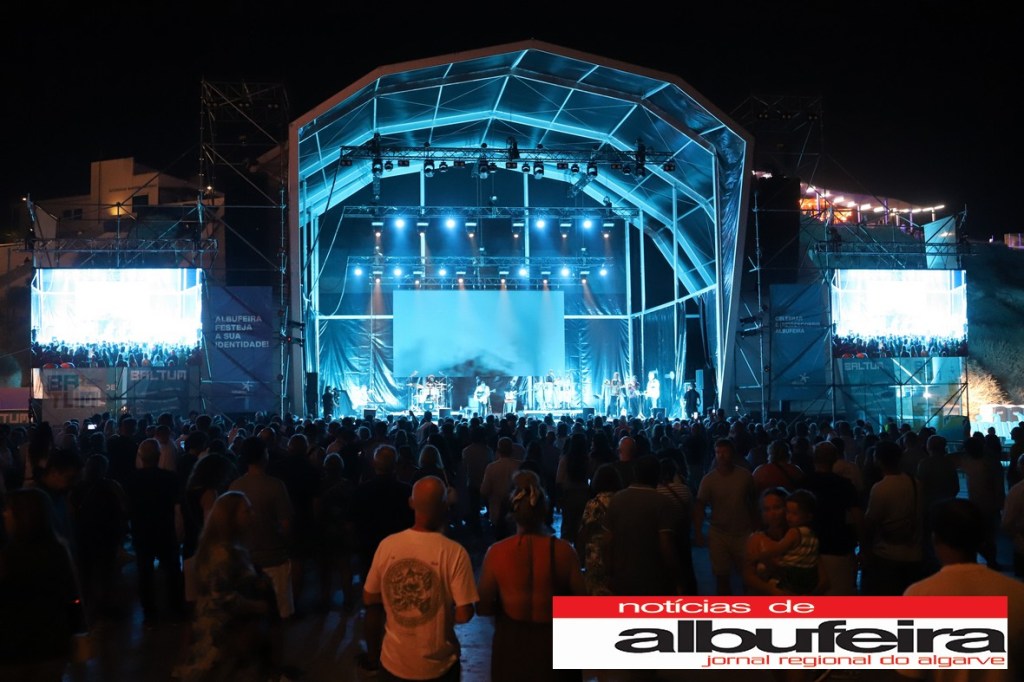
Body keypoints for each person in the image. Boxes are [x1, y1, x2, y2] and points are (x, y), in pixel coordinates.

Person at [360, 476, 478, 680]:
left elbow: (369, 597)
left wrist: (397, 604)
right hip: (438, 667)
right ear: (445, 506)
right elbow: (464, 613)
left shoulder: (387, 545)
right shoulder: (455, 552)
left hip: (394, 662)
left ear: (411, 503)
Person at [478, 470, 586, 682]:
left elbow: (482, 607)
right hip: (553, 644)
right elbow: (582, 603)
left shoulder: (497, 553)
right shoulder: (564, 552)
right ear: (544, 510)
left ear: (513, 511)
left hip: (512, 646)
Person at [901, 498, 1024, 681]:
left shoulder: (919, 595)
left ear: (935, 539)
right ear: (981, 538)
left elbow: (910, 673)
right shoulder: (1017, 593)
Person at [175, 491, 277, 682]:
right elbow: (222, 597)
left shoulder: (226, 547)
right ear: (231, 517)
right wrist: (257, 606)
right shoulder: (223, 552)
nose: (252, 514)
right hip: (223, 637)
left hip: (223, 633)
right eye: (247, 511)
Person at [0, 488, 86, 682]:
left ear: (21, 516)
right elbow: (72, 596)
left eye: (8, 509)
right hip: (53, 645)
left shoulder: (7, 558)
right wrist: (76, 630)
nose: (4, 514)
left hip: (11, 650)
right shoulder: (59, 551)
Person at [693, 438, 758, 595]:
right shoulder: (709, 479)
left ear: (732, 454)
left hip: (742, 531)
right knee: (721, 576)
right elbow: (700, 506)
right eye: (718, 452)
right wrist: (698, 531)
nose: (721, 456)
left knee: (747, 575)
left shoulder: (744, 476)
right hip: (719, 532)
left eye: (724, 452)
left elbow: (753, 502)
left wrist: (756, 527)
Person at [746, 489, 824, 595]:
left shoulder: (802, 538)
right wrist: (775, 592)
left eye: (777, 508)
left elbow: (823, 580)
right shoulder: (756, 539)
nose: (772, 514)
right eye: (766, 509)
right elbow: (749, 576)